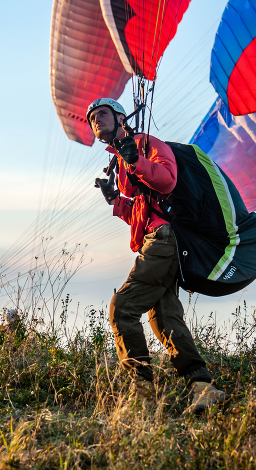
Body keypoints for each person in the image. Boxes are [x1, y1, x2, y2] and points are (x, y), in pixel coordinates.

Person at [87, 97, 229, 413]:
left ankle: (142, 393)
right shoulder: (121, 158)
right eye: (92, 117)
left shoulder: (146, 144)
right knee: (165, 318)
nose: (96, 120)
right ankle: (202, 387)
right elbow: (143, 213)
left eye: (103, 114)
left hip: (165, 241)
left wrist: (135, 160)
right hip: (157, 238)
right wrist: (115, 200)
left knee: (123, 307)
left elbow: (167, 181)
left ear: (121, 118)